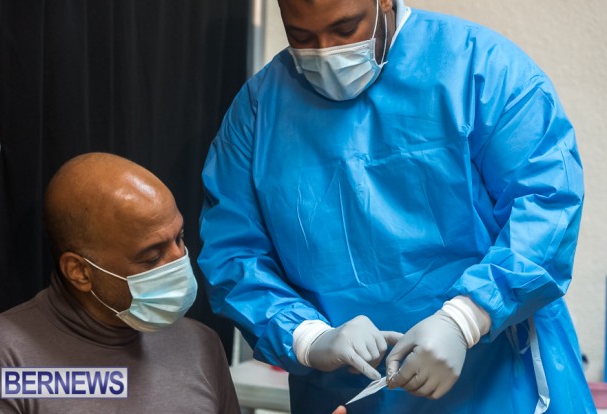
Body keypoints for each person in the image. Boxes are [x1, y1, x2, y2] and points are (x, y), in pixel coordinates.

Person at [198, 0, 595, 413]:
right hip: (348, 396)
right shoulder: (260, 110)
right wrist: (307, 336)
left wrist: (464, 318)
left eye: (345, 29)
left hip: (497, 386)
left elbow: (548, 203)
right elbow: (233, 252)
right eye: (301, 38)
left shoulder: (482, 70)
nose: (325, 53)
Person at [0, 152, 240, 413]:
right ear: (79, 272)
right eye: (152, 256)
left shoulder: (200, 344)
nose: (179, 260)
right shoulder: (3, 358)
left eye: (180, 238)